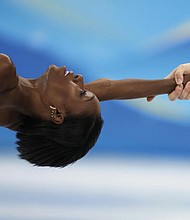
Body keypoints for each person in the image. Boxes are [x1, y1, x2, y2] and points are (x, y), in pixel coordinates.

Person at [0, 53, 189, 168]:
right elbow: (108, 88)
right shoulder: (28, 116)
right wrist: (172, 84)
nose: (81, 79)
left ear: (57, 114)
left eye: (82, 92)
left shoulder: (3, 71)